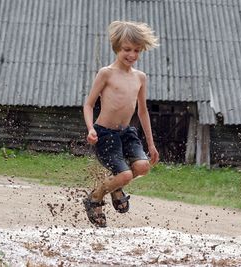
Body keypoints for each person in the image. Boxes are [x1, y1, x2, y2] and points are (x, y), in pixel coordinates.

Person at [83, 20, 160, 227]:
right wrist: (91, 129)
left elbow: (143, 112)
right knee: (125, 174)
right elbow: (88, 105)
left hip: (127, 133)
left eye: (137, 51)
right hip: (104, 134)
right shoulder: (106, 73)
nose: (132, 55)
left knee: (143, 166)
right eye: (127, 49)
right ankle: (94, 198)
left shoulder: (140, 78)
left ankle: (116, 187)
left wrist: (151, 145)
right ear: (117, 47)